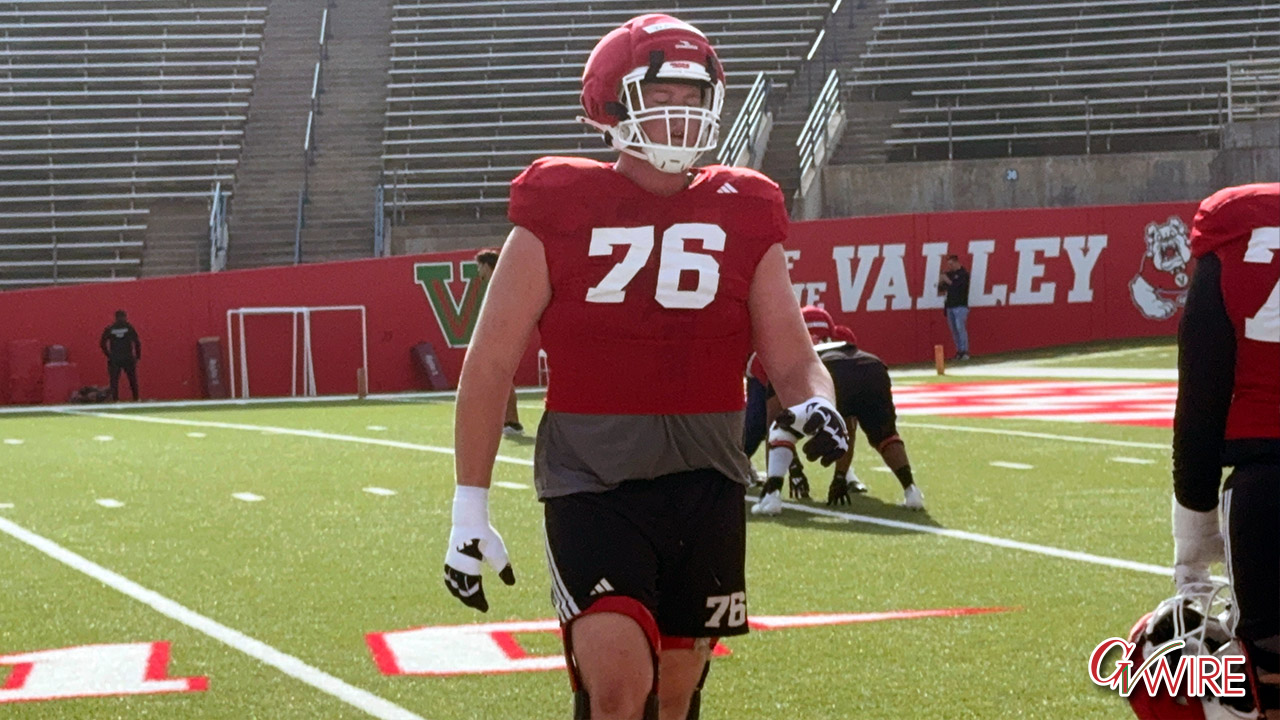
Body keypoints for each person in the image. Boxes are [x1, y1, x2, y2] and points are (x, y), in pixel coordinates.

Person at [441, 15, 850, 720]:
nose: (682, 114)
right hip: (592, 476)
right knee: (619, 686)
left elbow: (791, 354)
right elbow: (490, 363)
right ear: (613, 102)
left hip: (708, 475)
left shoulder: (745, 206)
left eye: (694, 99)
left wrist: (818, 403)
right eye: (663, 95)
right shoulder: (560, 202)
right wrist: (467, 505)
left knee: (676, 689)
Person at [1171, 182, 1279, 720]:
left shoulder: (1232, 237)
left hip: (1268, 487)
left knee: (1268, 685)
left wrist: (1192, 536)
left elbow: (1201, 399)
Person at [751, 305, 925, 516]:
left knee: (782, 427)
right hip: (871, 365)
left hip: (827, 368)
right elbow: (847, 427)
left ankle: (771, 497)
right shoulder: (842, 343)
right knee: (886, 435)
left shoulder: (788, 356)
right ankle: (912, 491)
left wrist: (794, 470)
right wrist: (840, 477)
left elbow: (774, 422)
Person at [474, 248, 525, 437]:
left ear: (487, 266)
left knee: (503, 380)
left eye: (480, 267)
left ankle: (511, 421)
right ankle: (506, 420)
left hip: (504, 335)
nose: (479, 271)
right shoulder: (500, 283)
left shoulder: (502, 283)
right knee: (500, 380)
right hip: (501, 335)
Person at [98, 309, 141, 401]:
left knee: (114, 380)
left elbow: (102, 343)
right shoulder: (129, 328)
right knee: (132, 379)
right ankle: (136, 398)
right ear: (125, 317)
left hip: (115, 358)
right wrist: (137, 356)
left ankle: (115, 399)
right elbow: (137, 342)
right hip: (127, 357)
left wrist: (109, 355)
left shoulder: (110, 328)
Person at [937, 254, 971, 360]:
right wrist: (941, 280)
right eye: (948, 265)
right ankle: (959, 351)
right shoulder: (949, 274)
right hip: (950, 305)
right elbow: (941, 289)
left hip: (960, 306)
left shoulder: (963, 274)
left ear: (956, 262)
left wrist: (947, 280)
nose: (950, 267)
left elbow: (958, 288)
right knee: (954, 330)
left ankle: (965, 351)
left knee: (960, 328)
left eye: (951, 264)